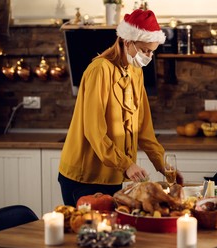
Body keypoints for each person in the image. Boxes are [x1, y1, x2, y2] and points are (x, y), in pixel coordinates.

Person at [58, 9, 183, 206]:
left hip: (116, 176)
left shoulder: (136, 72)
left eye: (152, 51)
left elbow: (144, 130)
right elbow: (94, 131)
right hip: (85, 178)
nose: (149, 56)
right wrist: (127, 164)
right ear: (127, 42)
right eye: (144, 50)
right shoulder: (99, 71)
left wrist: (163, 166)